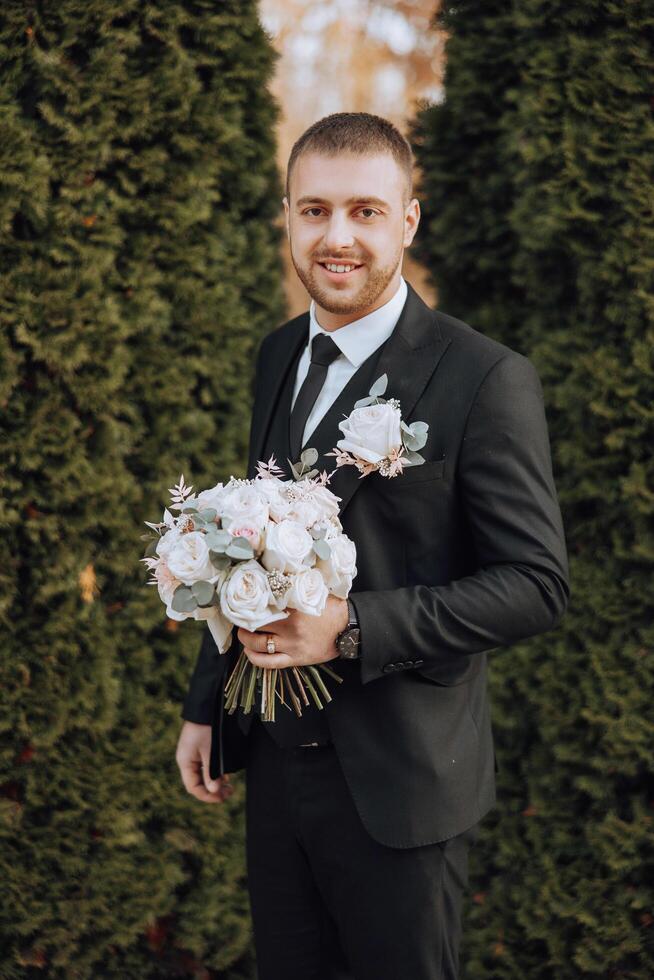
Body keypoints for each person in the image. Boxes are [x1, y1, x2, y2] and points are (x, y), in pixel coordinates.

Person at [175, 112, 569, 980]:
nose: (337, 236)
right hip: (276, 766)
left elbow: (536, 584)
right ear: (287, 215)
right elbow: (250, 543)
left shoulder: (483, 377)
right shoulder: (279, 354)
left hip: (402, 782)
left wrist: (350, 629)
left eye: (365, 211)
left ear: (409, 220)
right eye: (313, 211)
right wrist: (208, 700)